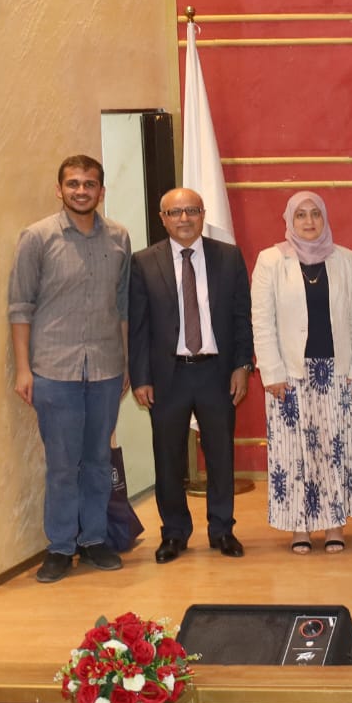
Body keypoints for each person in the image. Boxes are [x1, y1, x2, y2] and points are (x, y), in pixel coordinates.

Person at [8, 155, 132, 582]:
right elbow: (20, 307)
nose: (82, 191)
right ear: (59, 189)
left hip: (106, 369)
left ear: (101, 191)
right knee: (62, 465)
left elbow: (122, 307)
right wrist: (23, 369)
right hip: (53, 371)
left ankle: (94, 540)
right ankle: (60, 547)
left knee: (98, 460)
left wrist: (126, 363)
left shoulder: (119, 237)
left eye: (90, 184)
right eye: (74, 183)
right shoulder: (37, 238)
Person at [128, 188, 254, 564]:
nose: (184, 218)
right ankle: (174, 533)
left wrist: (242, 366)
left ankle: (222, 530)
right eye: (175, 212)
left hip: (217, 372)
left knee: (220, 455)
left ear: (202, 214)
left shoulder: (228, 257)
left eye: (191, 210)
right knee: (168, 458)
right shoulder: (143, 262)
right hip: (168, 376)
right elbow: (138, 326)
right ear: (162, 218)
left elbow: (242, 316)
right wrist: (141, 377)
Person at [251, 191, 352, 552]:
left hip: (337, 373)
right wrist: (271, 371)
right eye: (301, 215)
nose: (309, 221)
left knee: (334, 450)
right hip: (289, 375)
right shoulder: (271, 260)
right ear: (289, 220)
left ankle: (335, 525)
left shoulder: (344, 259)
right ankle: (299, 527)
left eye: (315, 214)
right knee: (294, 453)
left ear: (325, 218)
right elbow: (262, 321)